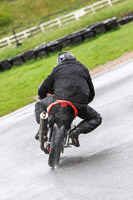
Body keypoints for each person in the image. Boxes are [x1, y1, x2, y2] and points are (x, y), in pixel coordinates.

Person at [35, 51, 102, 148]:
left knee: (39, 105)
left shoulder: (57, 69)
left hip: (59, 100)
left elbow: (42, 87)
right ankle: (76, 131)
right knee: (97, 118)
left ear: (59, 61)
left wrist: (42, 97)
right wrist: (84, 103)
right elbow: (91, 91)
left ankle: (43, 126)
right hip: (79, 103)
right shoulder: (83, 68)